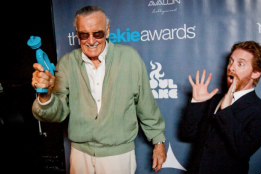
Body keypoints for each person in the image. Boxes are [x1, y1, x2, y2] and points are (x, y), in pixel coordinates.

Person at [31, 5, 166, 174]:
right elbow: (58, 112)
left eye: (98, 33)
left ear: (107, 31)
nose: (91, 40)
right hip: (80, 155)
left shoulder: (130, 58)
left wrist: (158, 142)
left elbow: (146, 105)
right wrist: (45, 96)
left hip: (118, 156)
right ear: (77, 35)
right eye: (84, 34)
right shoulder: (66, 63)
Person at [182, 41, 261, 173]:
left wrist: (226, 111)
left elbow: (243, 150)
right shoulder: (213, 99)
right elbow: (188, 134)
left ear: (255, 73)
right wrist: (196, 102)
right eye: (231, 61)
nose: (231, 67)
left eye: (240, 63)